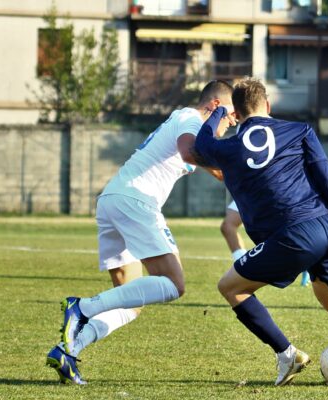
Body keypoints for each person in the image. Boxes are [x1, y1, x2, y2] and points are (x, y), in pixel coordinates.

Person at [194, 78, 328, 386]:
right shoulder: (300, 131)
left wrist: (218, 113)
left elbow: (201, 147)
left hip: (292, 236)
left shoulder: (230, 148)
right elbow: (326, 174)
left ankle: (287, 355)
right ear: (268, 106)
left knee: (230, 287)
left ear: (238, 114)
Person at [46, 80, 236, 385]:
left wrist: (241, 175)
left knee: (131, 304)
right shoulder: (191, 119)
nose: (230, 125)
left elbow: (210, 165)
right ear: (215, 106)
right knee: (175, 285)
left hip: (113, 200)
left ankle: (68, 349)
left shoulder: (182, 120)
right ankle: (81, 307)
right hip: (136, 202)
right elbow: (190, 154)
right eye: (230, 117)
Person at [221, 201, 309, 286]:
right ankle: (244, 270)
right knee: (227, 226)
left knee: (278, 226)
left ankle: (306, 262)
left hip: (263, 189)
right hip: (244, 191)